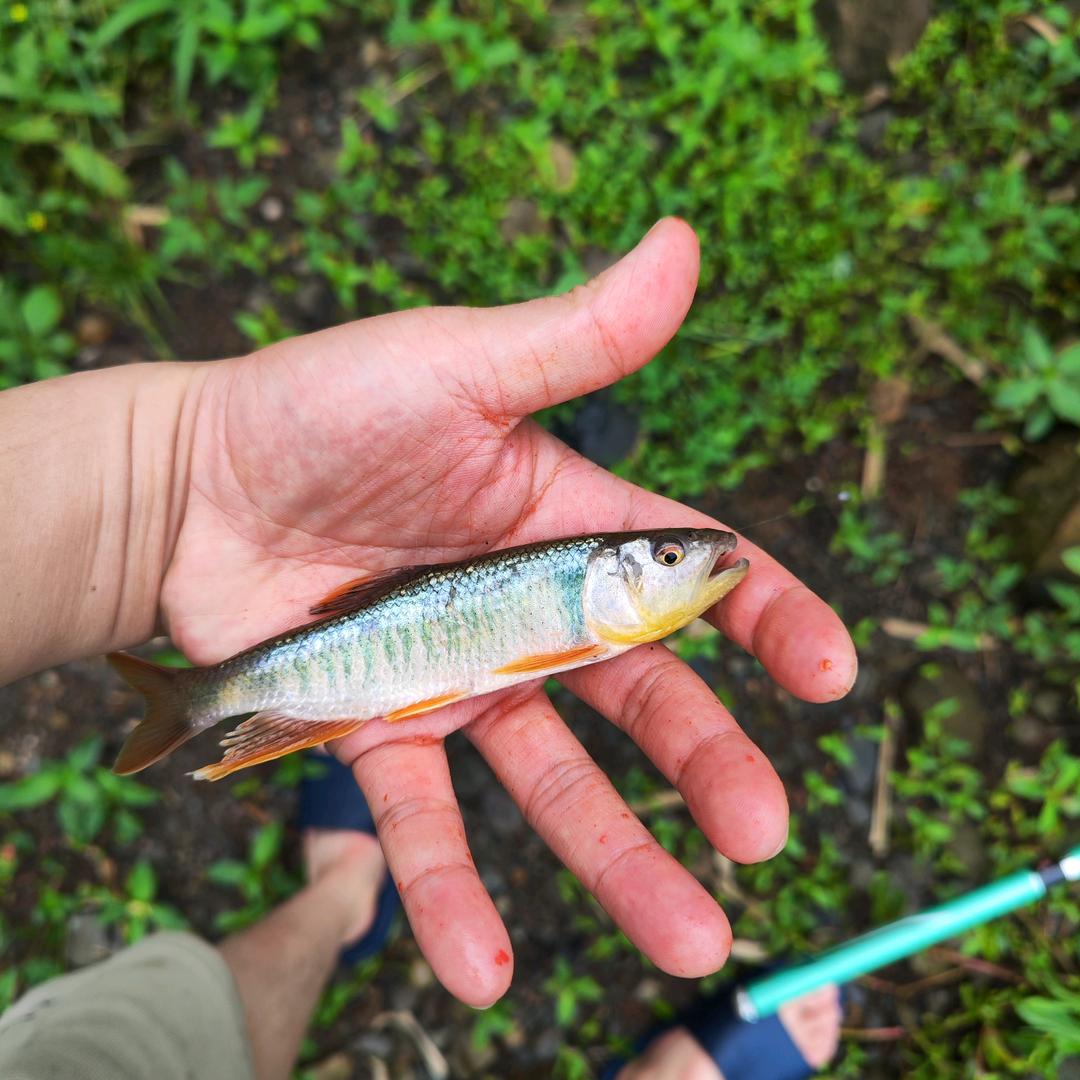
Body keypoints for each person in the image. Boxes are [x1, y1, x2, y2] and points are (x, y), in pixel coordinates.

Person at [0, 219, 854, 1077]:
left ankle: (331, 881)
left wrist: (168, 485)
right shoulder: (584, 608)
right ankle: (329, 877)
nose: (690, 561)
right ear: (616, 574)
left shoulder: (601, 607)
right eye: (668, 557)